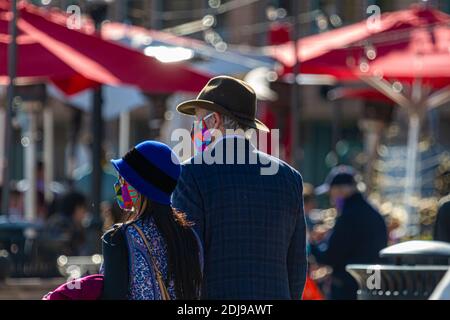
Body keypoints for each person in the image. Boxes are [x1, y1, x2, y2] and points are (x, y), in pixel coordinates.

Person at [172, 75, 307, 300]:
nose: (195, 131)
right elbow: (297, 265)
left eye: (198, 122)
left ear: (214, 120)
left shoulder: (191, 173)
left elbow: (187, 260)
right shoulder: (289, 178)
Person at [101, 141, 202, 300]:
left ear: (139, 185)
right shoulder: (190, 237)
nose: (119, 184)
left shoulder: (118, 238)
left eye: (124, 178)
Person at [310, 165, 387, 300]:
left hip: (349, 287)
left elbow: (329, 257)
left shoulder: (349, 215)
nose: (331, 198)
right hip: (372, 282)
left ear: (341, 190)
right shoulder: (371, 211)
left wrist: (311, 243)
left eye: (331, 192)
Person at [45, 191, 89, 256]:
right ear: (77, 208)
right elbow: (63, 252)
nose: (85, 213)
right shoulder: (61, 224)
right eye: (84, 208)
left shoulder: (58, 221)